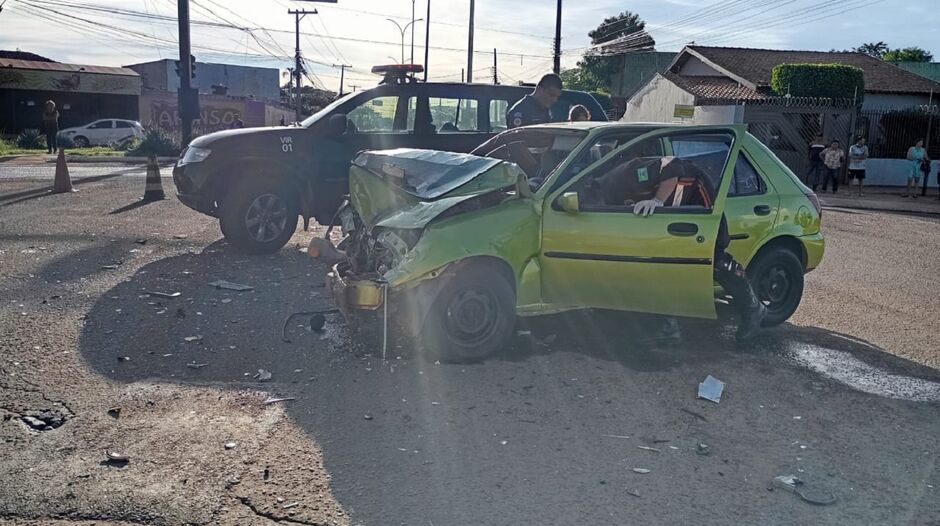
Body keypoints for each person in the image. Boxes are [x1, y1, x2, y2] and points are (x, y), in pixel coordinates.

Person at [596, 156, 765, 340]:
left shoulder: (626, 175)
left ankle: (753, 309)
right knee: (658, 263)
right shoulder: (612, 195)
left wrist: (658, 200)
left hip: (694, 189)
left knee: (713, 254)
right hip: (673, 207)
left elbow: (673, 166)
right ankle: (667, 327)